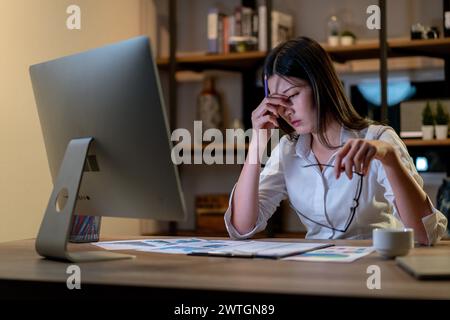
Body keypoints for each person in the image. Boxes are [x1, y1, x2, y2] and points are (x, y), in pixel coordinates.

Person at [224, 37, 447, 245]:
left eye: (292, 96)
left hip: (376, 268)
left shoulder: (378, 140)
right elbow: (241, 227)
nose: (285, 110)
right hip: (319, 272)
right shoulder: (288, 151)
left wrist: (389, 158)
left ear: (320, 84)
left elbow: (424, 236)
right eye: (277, 101)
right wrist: (257, 142)